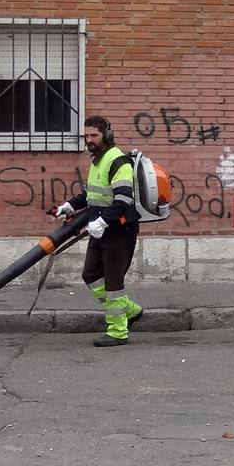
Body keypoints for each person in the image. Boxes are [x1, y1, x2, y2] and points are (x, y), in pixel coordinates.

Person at [54, 115, 144, 347]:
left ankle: (117, 331)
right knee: (91, 275)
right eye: (87, 136)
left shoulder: (117, 161)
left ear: (107, 135)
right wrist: (69, 206)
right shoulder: (97, 161)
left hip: (118, 231)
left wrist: (103, 222)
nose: (90, 140)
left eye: (94, 135)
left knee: (114, 283)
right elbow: (90, 195)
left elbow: (123, 199)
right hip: (99, 230)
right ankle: (131, 311)